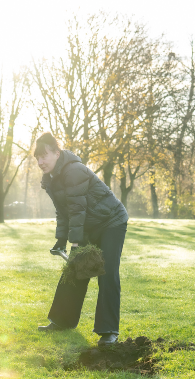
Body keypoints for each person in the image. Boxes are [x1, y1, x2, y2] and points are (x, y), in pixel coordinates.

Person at [35, 132, 128, 346]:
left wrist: (75, 242)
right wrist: (61, 239)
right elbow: (63, 211)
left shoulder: (73, 170)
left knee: (107, 271)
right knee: (75, 271)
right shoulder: (50, 179)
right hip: (89, 224)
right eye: (37, 158)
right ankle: (62, 322)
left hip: (111, 221)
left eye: (44, 156)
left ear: (57, 153)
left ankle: (108, 331)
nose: (40, 162)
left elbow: (77, 209)